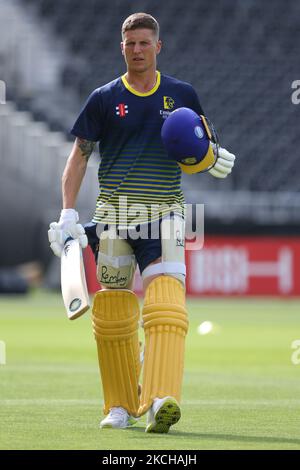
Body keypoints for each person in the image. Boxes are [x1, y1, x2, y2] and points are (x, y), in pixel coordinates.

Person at [48, 12, 235, 433]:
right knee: (113, 315)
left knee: (167, 307)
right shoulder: (103, 98)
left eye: (144, 43)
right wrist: (66, 212)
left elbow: (200, 146)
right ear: (122, 47)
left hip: (165, 216)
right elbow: (79, 155)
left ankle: (159, 399)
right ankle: (118, 405)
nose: (137, 50)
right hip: (113, 218)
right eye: (130, 44)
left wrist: (211, 156)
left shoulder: (182, 94)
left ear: (158, 46)